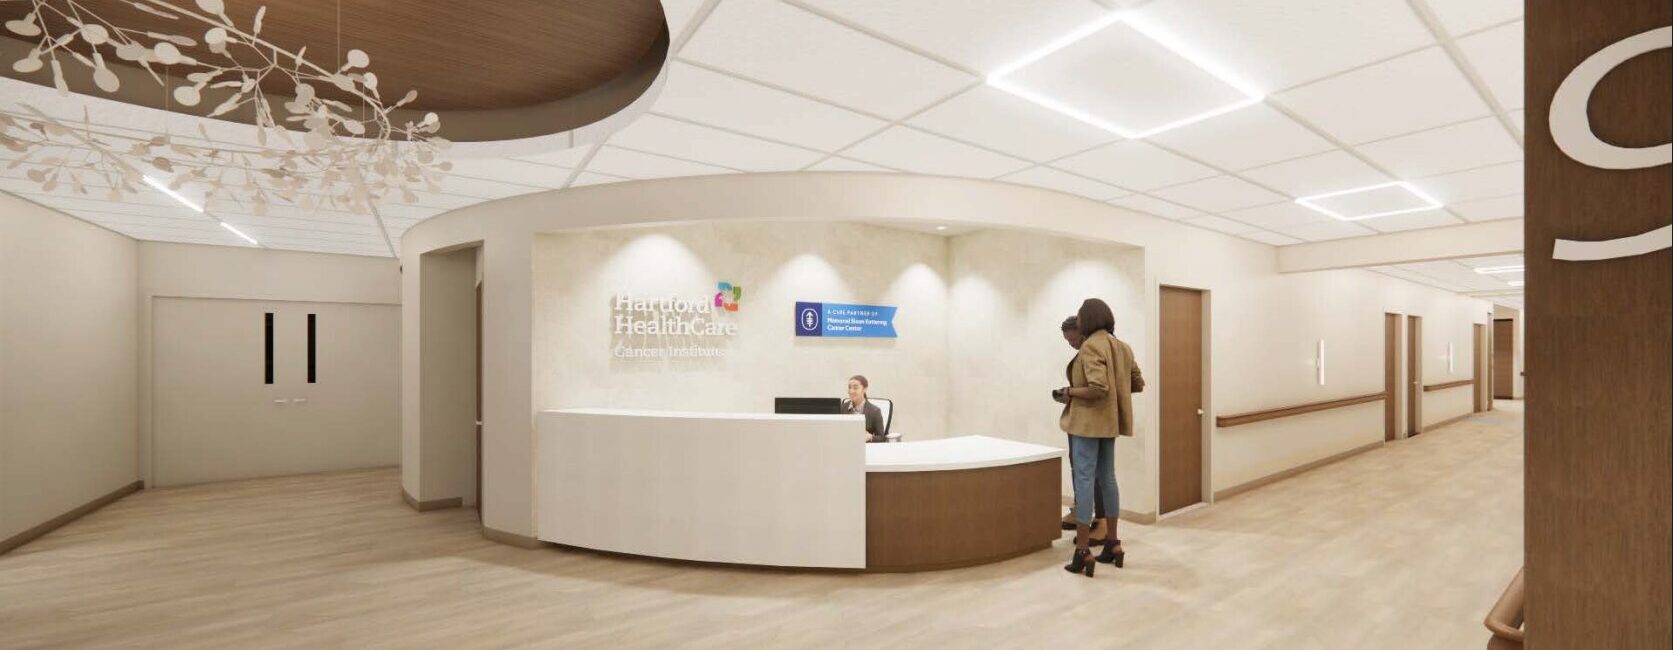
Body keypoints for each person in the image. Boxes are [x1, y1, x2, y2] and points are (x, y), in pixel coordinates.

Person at [1057, 298, 1142, 577]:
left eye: (1081, 316)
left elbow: (1098, 388)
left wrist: (1069, 392)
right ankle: (1113, 543)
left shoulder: (1091, 346)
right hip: (1110, 424)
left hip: (1087, 424)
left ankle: (1083, 550)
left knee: (1084, 481)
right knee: (1108, 478)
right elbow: (1137, 383)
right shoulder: (1122, 346)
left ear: (1088, 319)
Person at [1054, 316, 1108, 545]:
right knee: (1079, 468)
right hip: (1077, 419)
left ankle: (1101, 522)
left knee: (1096, 474)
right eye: (1067, 341)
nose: (1071, 344)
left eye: (1073, 339)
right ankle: (1080, 511)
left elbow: (1098, 388)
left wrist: (1070, 392)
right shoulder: (1083, 353)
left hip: (1093, 422)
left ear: (1083, 332)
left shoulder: (1094, 352)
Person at [842, 375, 886, 443]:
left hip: (864, 447)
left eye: (855, 388)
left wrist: (870, 437)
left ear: (865, 389)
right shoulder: (842, 408)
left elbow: (882, 438)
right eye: (849, 387)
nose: (851, 391)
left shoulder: (875, 411)